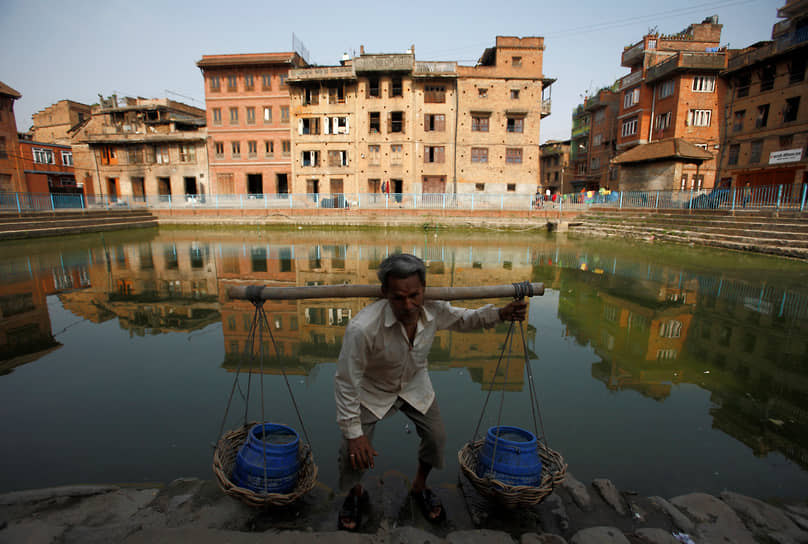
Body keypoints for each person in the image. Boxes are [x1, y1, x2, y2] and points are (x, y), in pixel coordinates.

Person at [334, 253, 527, 530]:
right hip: (372, 389)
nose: (409, 305)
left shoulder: (433, 308)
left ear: (424, 289)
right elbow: (346, 382)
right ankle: (354, 493)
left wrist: (500, 314)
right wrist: (354, 435)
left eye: (415, 295)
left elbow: (464, 320)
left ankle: (419, 486)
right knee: (352, 451)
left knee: (437, 439)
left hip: (414, 383)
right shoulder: (362, 328)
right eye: (399, 297)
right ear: (384, 293)